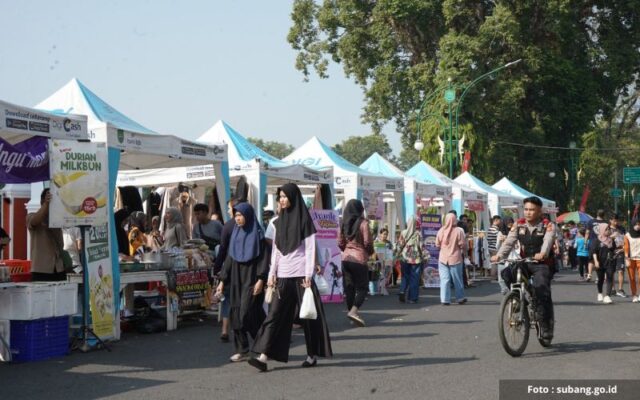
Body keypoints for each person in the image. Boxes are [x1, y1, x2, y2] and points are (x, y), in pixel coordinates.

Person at [250, 183, 332, 371]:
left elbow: (311, 249)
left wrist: (309, 274)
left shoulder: (305, 221)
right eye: (280, 197)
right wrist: (272, 274)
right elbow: (276, 251)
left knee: (308, 317)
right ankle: (263, 356)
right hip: (283, 276)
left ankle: (312, 355)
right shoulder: (278, 222)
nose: (282, 200)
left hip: (302, 277)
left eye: (285, 196)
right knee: (274, 315)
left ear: (294, 197)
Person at [491, 196, 556, 341]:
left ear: (540, 211)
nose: (528, 212)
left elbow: (548, 241)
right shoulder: (518, 224)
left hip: (542, 263)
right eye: (526, 209)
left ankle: (546, 326)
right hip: (525, 260)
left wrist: (543, 254)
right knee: (507, 273)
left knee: (541, 290)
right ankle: (519, 298)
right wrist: (499, 255)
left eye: (532, 210)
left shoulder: (548, 225)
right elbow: (509, 242)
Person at [216, 203, 269, 362]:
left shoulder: (258, 236)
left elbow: (263, 260)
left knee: (247, 313)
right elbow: (229, 259)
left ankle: (263, 345)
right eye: (236, 215)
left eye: (240, 215)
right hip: (236, 280)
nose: (238, 219)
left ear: (248, 215)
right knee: (236, 315)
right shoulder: (235, 235)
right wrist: (222, 281)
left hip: (252, 279)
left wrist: (261, 279)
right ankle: (242, 349)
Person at [338, 199, 374, 325]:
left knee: (349, 288)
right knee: (363, 287)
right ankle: (353, 311)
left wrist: (347, 250)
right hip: (359, 259)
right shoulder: (363, 223)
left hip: (346, 259)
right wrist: (369, 252)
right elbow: (368, 242)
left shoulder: (343, 223)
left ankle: (351, 314)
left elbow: (340, 243)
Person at [213, 198, 241, 343]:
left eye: (229, 208)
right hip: (243, 269)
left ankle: (225, 329)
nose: (228, 211)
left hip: (230, 267)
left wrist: (217, 267)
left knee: (227, 298)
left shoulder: (228, 226)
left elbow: (223, 249)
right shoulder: (251, 225)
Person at [27, 188, 65, 281]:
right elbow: (35, 221)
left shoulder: (56, 221)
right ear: (42, 201)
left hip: (58, 268)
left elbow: (60, 243)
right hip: (41, 269)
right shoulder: (31, 216)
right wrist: (46, 204)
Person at [436, 213, 467, 305]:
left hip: (442, 259)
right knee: (457, 279)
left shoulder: (441, 230)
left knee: (444, 279)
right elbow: (462, 244)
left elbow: (437, 244)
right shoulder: (459, 231)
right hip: (455, 258)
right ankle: (460, 298)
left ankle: (445, 299)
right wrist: (464, 252)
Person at [396, 218, 428, 304]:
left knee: (405, 276)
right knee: (414, 278)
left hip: (404, 258)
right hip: (415, 260)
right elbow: (422, 247)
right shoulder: (418, 234)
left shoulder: (403, 232)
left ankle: (402, 290)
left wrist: (399, 254)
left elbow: (399, 245)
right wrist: (426, 257)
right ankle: (412, 298)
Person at [593, 222, 616, 304]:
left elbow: (613, 249)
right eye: (607, 229)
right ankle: (600, 293)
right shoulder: (597, 240)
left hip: (609, 261)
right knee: (601, 279)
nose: (608, 230)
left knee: (610, 277)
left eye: (609, 229)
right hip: (600, 262)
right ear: (602, 230)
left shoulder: (611, 240)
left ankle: (607, 296)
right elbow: (594, 252)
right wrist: (596, 261)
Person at [586, 209, 607, 282]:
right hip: (603, 242)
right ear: (604, 215)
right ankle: (602, 276)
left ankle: (589, 274)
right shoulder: (606, 222)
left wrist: (585, 242)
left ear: (597, 214)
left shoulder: (591, 222)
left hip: (593, 242)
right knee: (602, 259)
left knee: (591, 259)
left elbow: (587, 232)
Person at [609, 213, 627, 298]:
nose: (616, 222)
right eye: (614, 220)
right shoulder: (607, 229)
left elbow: (626, 239)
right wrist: (611, 237)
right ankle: (613, 289)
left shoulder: (622, 229)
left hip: (620, 251)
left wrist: (624, 248)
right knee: (611, 271)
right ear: (610, 220)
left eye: (617, 220)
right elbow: (603, 239)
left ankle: (620, 289)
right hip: (611, 251)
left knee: (621, 270)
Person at [624, 218, 640, 302]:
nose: (637, 226)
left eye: (639, 224)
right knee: (632, 278)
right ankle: (634, 295)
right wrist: (626, 258)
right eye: (636, 224)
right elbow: (626, 247)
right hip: (630, 259)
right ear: (632, 224)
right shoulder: (627, 235)